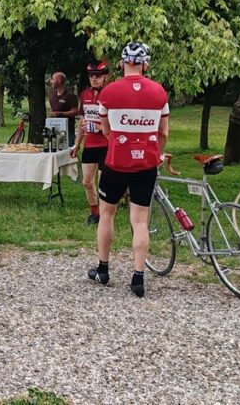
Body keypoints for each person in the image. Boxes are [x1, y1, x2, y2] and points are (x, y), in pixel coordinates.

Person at [87, 43, 169, 298]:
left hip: (116, 163)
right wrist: (157, 154)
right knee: (140, 221)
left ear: (122, 63)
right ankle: (138, 277)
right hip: (146, 165)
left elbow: (106, 130)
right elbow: (163, 132)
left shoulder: (108, 92)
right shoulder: (159, 92)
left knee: (107, 214)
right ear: (145, 64)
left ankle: (103, 269)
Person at [71, 60, 111, 225]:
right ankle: (94, 212)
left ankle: (105, 213)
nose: (94, 79)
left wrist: (100, 127)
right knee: (87, 182)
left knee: (103, 182)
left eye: (98, 76)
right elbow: (82, 120)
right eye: (91, 76)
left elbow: (116, 122)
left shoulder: (110, 94)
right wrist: (77, 144)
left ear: (105, 77)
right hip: (90, 144)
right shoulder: (85, 94)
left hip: (106, 144)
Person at [48, 71, 79, 146]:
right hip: (54, 129)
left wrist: (60, 113)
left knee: (67, 151)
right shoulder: (52, 95)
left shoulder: (70, 96)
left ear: (59, 80)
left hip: (67, 131)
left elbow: (75, 111)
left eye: (52, 79)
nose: (50, 81)